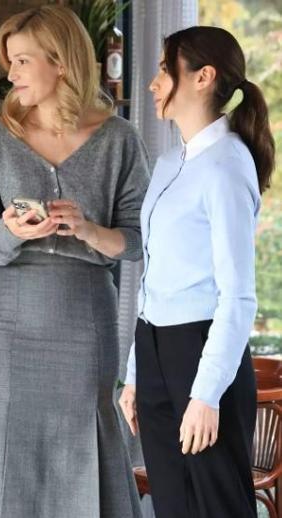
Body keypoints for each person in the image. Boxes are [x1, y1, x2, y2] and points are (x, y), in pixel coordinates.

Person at [0, 6, 150, 517]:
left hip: (84, 317)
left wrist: (88, 230)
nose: (11, 74)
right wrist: (10, 231)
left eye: (22, 61)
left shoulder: (119, 140)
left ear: (60, 62)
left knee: (83, 436)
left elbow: (138, 241)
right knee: (8, 442)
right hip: (10, 319)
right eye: (10, 62)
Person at [119, 26, 275, 518]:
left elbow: (238, 296)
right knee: (173, 508)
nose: (153, 83)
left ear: (203, 77)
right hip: (155, 349)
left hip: (202, 352)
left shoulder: (228, 165)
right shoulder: (169, 163)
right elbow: (155, 276)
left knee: (217, 507)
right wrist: (135, 374)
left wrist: (207, 395)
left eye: (165, 70)